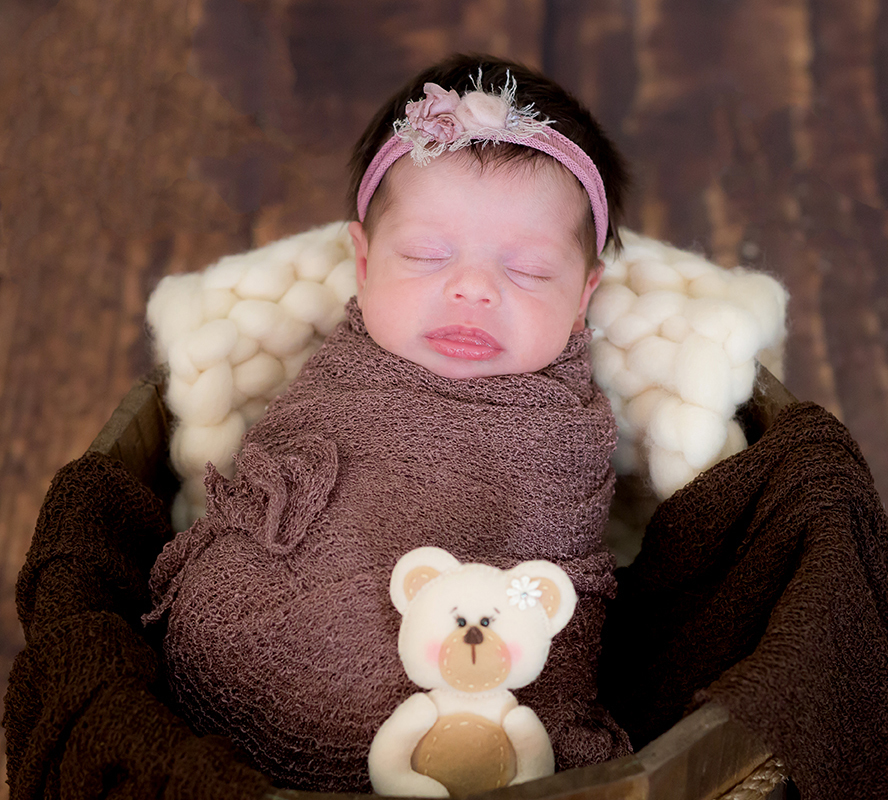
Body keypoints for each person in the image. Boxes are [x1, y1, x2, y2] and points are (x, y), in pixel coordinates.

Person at [145, 54, 633, 793]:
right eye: (427, 255)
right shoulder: (342, 374)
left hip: (462, 706)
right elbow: (269, 486)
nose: (472, 288)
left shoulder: (561, 432)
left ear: (583, 295)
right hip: (257, 653)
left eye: (529, 270)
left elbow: (556, 577)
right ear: (364, 261)